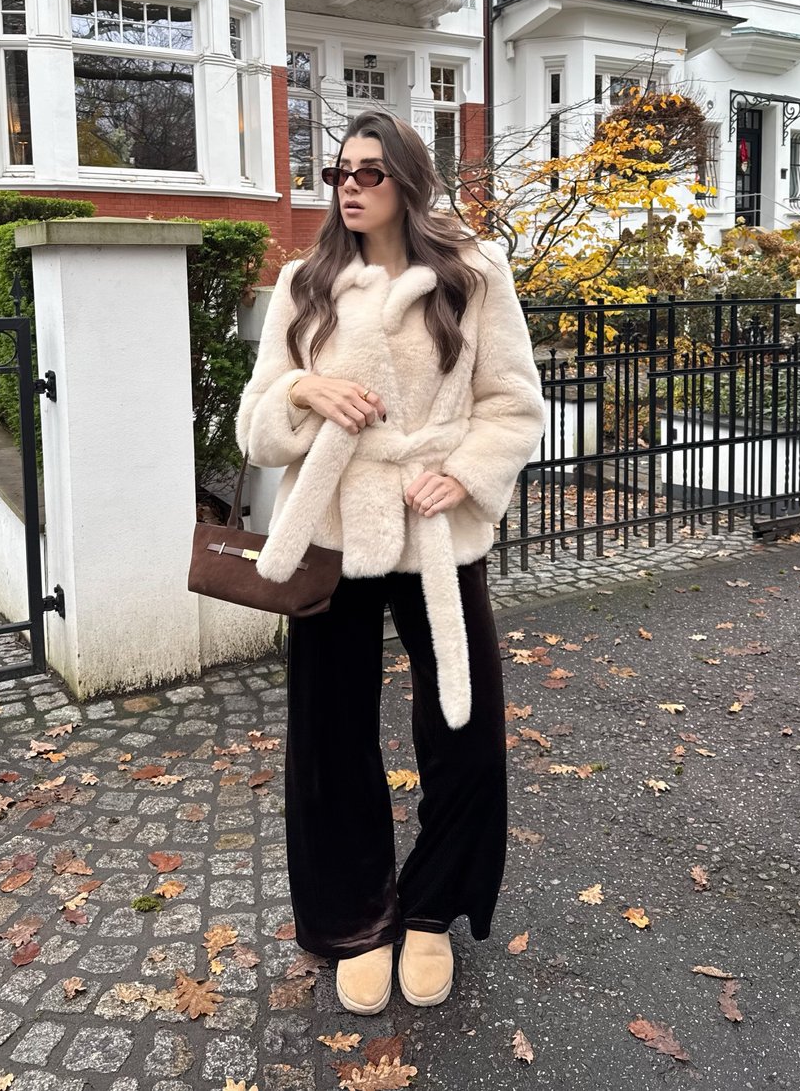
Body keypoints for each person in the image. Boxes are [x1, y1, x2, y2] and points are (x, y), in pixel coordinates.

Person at [234, 108, 544, 1016]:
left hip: (433, 528)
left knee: (466, 730)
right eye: (339, 172)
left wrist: (465, 473)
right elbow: (256, 425)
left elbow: (512, 403)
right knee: (329, 737)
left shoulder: (473, 274)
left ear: (410, 179)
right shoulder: (305, 283)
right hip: (333, 526)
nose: (350, 187)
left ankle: (432, 908)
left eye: (369, 171)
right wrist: (304, 387)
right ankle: (354, 919)